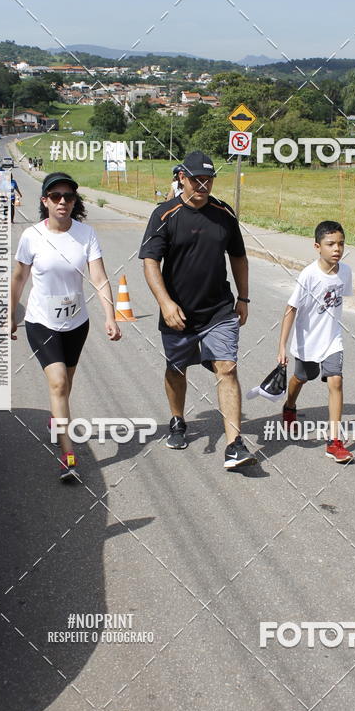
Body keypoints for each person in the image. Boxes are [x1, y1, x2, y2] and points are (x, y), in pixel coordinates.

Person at [139, 150, 256, 471]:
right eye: (195, 179)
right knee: (176, 370)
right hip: (178, 313)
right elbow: (150, 261)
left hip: (219, 310)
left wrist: (243, 298)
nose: (202, 184)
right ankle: (177, 419)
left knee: (228, 369)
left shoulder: (224, 214)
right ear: (181, 178)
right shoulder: (165, 214)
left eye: (208, 179)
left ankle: (234, 443)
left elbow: (239, 257)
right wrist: (165, 302)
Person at [10, 172, 122, 481]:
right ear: (45, 201)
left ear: (75, 202)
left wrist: (110, 316)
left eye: (68, 197)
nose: (63, 202)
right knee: (58, 382)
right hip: (41, 321)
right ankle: (69, 455)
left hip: (76, 323)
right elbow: (19, 277)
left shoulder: (86, 234)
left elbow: (99, 279)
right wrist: (10, 315)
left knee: (66, 385)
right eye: (56, 197)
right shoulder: (32, 236)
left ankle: (57, 420)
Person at [276, 220, 354, 463]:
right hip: (307, 341)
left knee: (336, 381)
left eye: (340, 244)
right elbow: (291, 309)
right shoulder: (309, 275)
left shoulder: (346, 272)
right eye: (330, 244)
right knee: (301, 378)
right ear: (317, 246)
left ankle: (334, 441)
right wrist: (282, 346)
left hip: (332, 340)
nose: (337, 249)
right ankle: (289, 406)